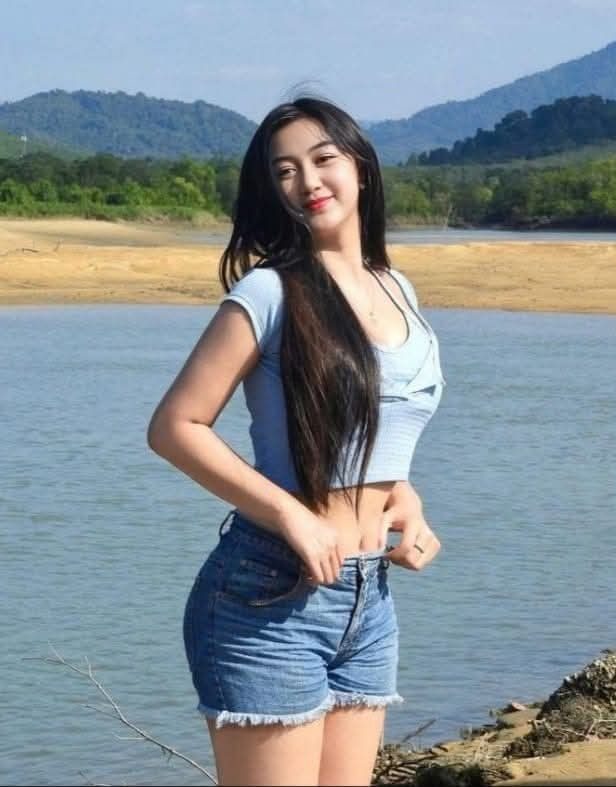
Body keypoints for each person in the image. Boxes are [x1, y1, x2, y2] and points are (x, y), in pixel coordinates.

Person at [147, 95, 445, 786]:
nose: (307, 181)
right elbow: (175, 427)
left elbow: (376, 427)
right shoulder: (269, 292)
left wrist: (405, 500)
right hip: (267, 593)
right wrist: (292, 516)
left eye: (322, 159)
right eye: (284, 171)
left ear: (360, 166)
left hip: (367, 597)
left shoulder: (397, 287)